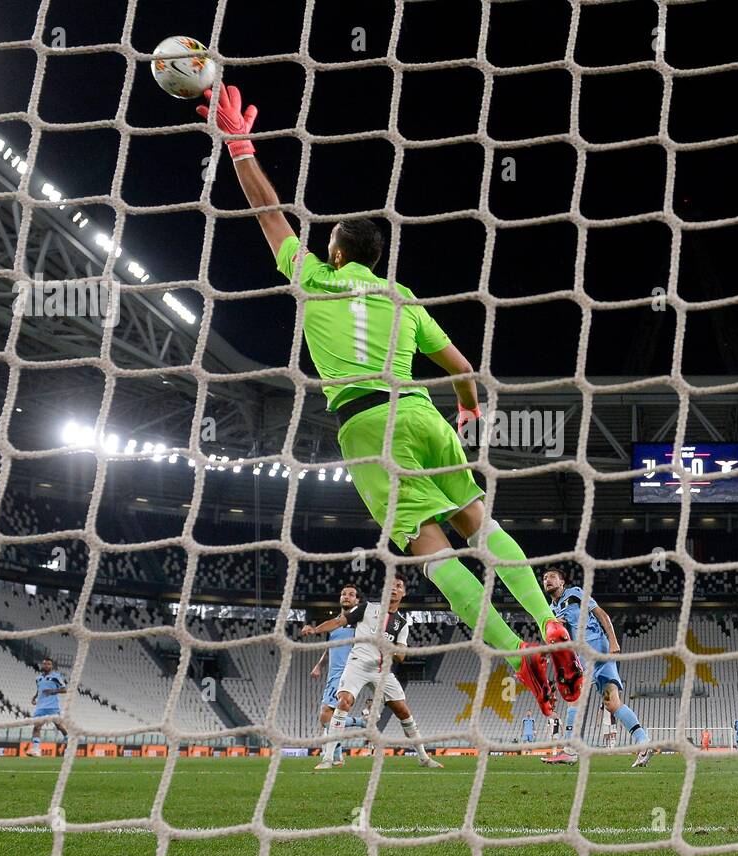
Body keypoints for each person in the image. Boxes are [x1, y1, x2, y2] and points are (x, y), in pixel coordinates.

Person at [199, 84, 581, 717]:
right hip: (424, 414)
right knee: (480, 526)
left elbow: (269, 214)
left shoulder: (316, 276)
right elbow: (462, 367)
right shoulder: (402, 297)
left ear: (339, 251)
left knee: (432, 555)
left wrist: (239, 144)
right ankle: (547, 622)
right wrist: (465, 408)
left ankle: (519, 654)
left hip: (367, 428)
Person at [303, 577, 440, 769]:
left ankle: (424, 758)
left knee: (403, 711)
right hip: (356, 666)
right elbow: (339, 621)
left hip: (381, 671)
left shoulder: (401, 624)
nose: (394, 588)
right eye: (390, 585)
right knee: (343, 701)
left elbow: (401, 656)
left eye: (398, 586)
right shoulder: (366, 608)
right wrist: (315, 629)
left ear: (403, 593)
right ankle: (328, 759)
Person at [540, 569, 653, 767]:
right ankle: (644, 743)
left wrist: (614, 641)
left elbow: (601, 614)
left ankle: (570, 750)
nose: (547, 580)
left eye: (552, 577)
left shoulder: (574, 593)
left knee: (574, 699)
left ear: (562, 581)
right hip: (592, 656)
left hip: (593, 650)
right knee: (613, 704)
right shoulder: (552, 609)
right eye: (544, 578)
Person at [307, 584, 368, 765]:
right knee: (330, 719)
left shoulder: (359, 625)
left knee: (326, 716)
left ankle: (358, 725)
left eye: (351, 594)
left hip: (346, 674)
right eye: (343, 594)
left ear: (357, 600)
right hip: (332, 675)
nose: (346, 597)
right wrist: (319, 666)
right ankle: (338, 755)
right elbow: (329, 649)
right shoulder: (334, 625)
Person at [28, 658, 68, 757]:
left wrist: (52, 691)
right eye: (44, 664)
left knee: (59, 726)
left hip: (52, 707)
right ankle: (36, 750)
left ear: (52, 666)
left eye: (48, 664)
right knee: (36, 727)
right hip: (40, 707)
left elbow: (64, 689)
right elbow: (39, 690)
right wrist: (34, 697)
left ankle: (68, 739)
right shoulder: (38, 678)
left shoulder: (56, 677)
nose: (46, 665)